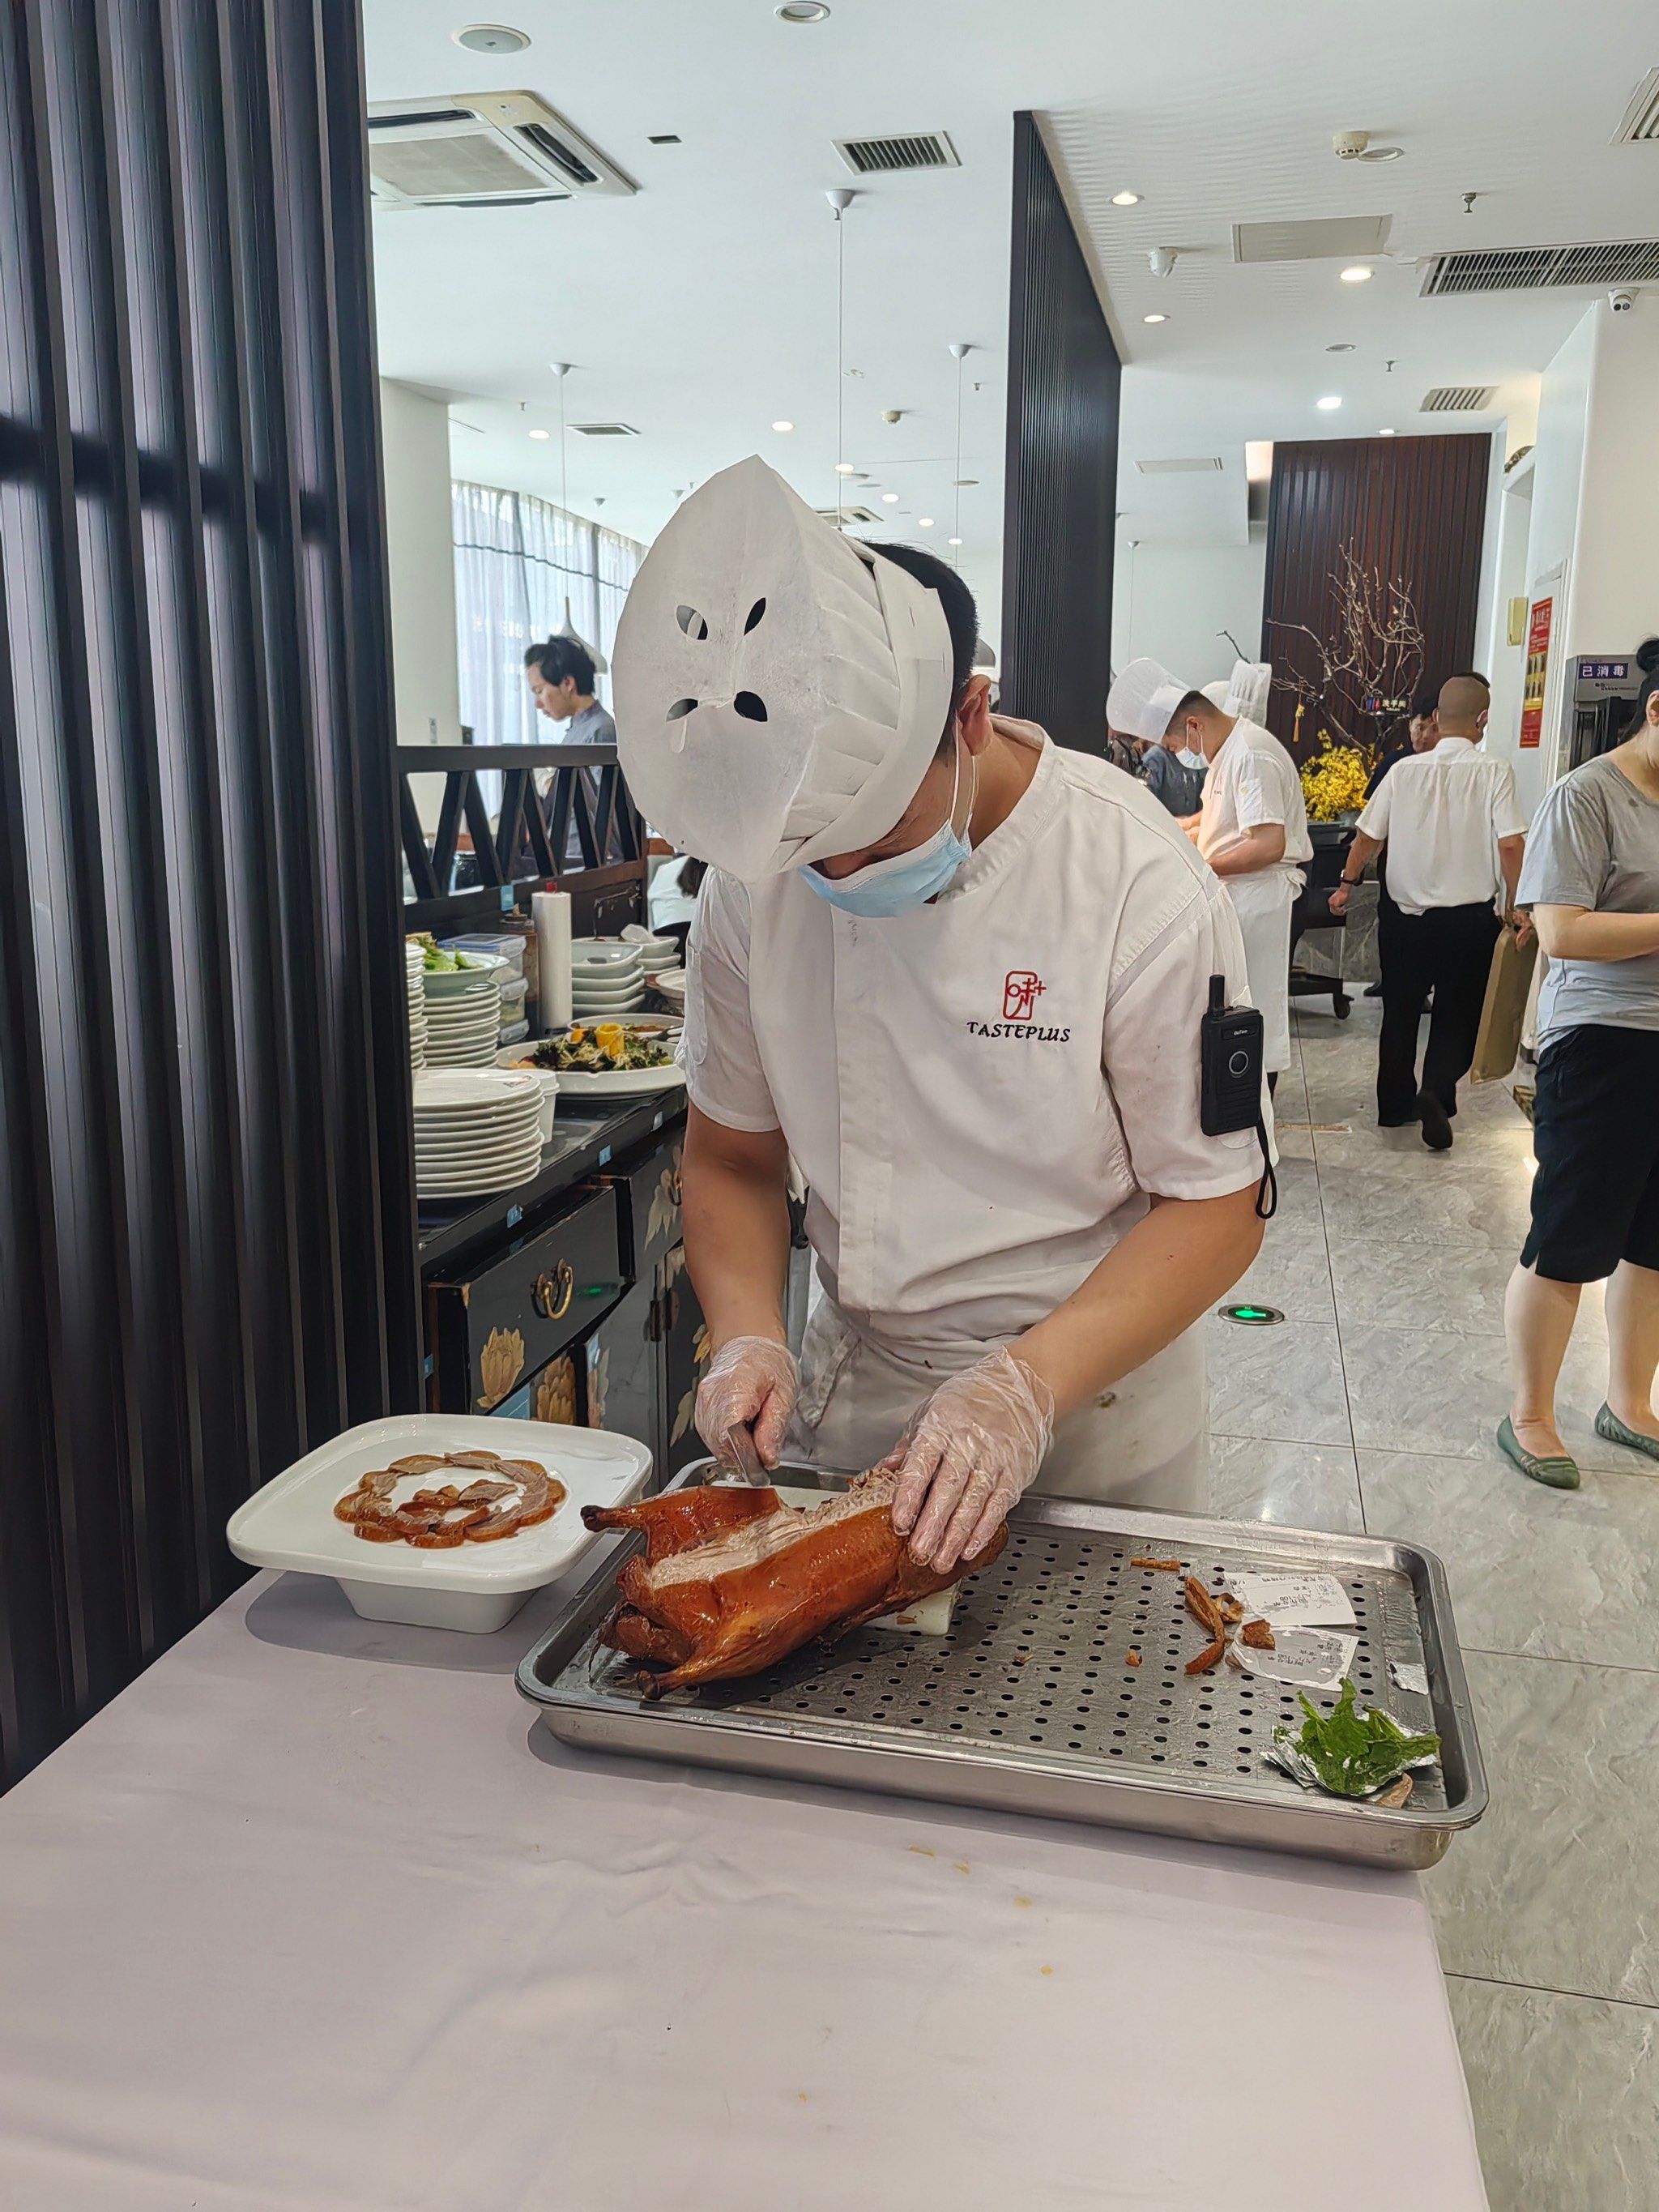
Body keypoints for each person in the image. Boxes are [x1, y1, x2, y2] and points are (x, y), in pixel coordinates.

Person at [612, 457, 1274, 1562]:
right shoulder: (755, 884)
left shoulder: (1134, 882)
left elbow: (1217, 1205)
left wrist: (1023, 1387)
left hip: (1087, 1408)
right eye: (807, 854)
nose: (835, 876)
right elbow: (730, 1156)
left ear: (970, 713)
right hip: (864, 1387)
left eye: (871, 839)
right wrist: (748, 1335)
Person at [1499, 682, 1659, 1488]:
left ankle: (1628, 1403)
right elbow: (1562, 930)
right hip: (1602, 1041)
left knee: (1653, 1242)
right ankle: (1528, 1412)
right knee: (1568, 1234)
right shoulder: (1586, 795)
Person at [1329, 675, 1525, 1148]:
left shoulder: (1402, 772)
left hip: (1404, 918)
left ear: (1436, 718)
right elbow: (1512, 844)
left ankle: (1395, 1107)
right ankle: (1437, 1092)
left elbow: (1368, 837)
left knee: (1399, 1009)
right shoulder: (1494, 772)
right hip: (1468, 921)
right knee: (1458, 1011)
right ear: (1482, 720)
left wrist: (1346, 884)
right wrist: (1517, 905)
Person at [1107, 660, 1311, 1091]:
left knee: (1249, 1016)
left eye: (1173, 741)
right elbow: (1223, 820)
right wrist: (1178, 829)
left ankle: (1256, 1127)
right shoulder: (1227, 753)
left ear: (1194, 724)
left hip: (1257, 902)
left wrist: (1199, 867)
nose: (1179, 752)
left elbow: (1268, 843)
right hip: (1236, 898)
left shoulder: (1251, 754)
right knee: (1231, 1009)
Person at [1360, 687, 1442, 996]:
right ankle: (1390, 980)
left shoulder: (1452, 768)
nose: (1419, 735)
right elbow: (1372, 820)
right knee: (1392, 923)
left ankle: (1421, 989)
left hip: (1434, 863)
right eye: (1415, 727)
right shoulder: (1396, 763)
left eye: (1425, 727)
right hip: (1396, 861)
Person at [522, 636, 616, 745]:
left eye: (539, 691)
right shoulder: (579, 727)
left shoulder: (600, 731)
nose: (537, 704)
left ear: (567, 683)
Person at [1137, 717, 1208, 818]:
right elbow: (1142, 802)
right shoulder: (1155, 758)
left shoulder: (1192, 756)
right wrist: (1172, 822)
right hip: (1164, 829)